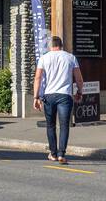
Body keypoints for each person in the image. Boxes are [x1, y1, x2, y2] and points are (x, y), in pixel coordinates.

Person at [33, 35, 84, 163]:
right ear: (61, 45)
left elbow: (38, 78)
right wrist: (79, 91)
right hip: (65, 95)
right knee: (64, 125)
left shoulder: (44, 58)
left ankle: (53, 153)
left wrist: (36, 97)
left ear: (50, 46)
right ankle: (62, 154)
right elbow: (79, 78)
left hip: (49, 95)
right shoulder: (70, 57)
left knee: (50, 126)